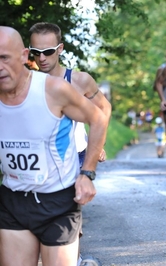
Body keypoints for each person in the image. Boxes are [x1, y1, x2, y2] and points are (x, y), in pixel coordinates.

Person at [0, 26, 107, 266]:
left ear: (23, 56)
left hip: (57, 200)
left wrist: (87, 173)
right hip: (13, 197)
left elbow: (99, 116)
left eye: (4, 58)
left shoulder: (53, 89)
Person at [29, 22, 111, 168]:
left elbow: (104, 107)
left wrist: (98, 144)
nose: (41, 58)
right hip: (39, 160)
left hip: (76, 158)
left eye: (48, 52)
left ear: (60, 49)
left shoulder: (79, 80)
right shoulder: (26, 83)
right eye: (36, 52)